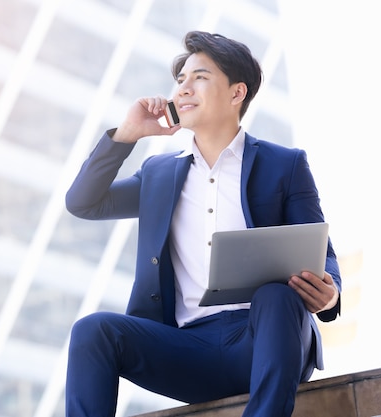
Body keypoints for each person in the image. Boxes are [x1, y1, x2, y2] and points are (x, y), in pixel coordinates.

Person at [64, 31, 341, 417]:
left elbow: (320, 252)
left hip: (265, 339)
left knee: (276, 295)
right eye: (180, 80)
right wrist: (127, 135)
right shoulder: (158, 175)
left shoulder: (285, 165)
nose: (184, 89)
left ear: (236, 92)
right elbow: (83, 203)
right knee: (93, 331)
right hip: (189, 350)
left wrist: (329, 297)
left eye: (200, 77)